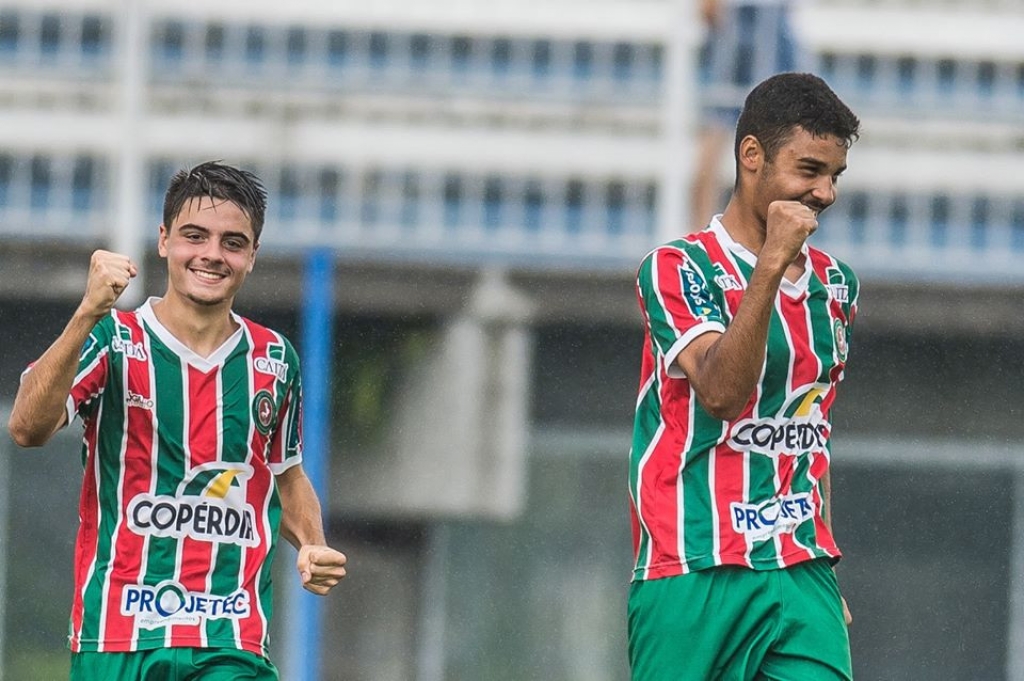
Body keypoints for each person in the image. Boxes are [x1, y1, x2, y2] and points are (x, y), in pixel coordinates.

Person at [7, 161, 347, 680]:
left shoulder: (274, 359)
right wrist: (86, 313)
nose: (212, 254)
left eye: (233, 242)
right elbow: (28, 428)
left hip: (229, 638)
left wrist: (314, 544)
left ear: (252, 256)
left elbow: (286, 475)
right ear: (164, 241)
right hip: (118, 632)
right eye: (195, 236)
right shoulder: (113, 339)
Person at [627, 72, 861, 680]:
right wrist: (773, 264)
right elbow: (723, 394)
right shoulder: (677, 268)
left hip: (800, 566)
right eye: (808, 170)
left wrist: (826, 568)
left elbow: (811, 427)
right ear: (751, 156)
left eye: (834, 176)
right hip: (693, 567)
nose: (824, 192)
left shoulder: (837, 286)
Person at [691, 0, 804, 230]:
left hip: (756, 26)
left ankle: (701, 234)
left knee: (780, 138)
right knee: (779, 138)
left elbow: (707, 10)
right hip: (749, 26)